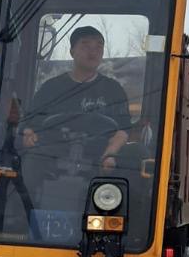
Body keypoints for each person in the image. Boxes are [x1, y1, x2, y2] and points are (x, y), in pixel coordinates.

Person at [20, 25, 130, 170]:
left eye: (99, 46)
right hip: (53, 158)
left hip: (99, 158)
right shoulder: (50, 88)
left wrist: (109, 155)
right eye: (85, 45)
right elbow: (30, 125)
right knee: (29, 161)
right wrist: (28, 136)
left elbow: (123, 130)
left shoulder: (113, 90)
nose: (93, 51)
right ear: (72, 51)